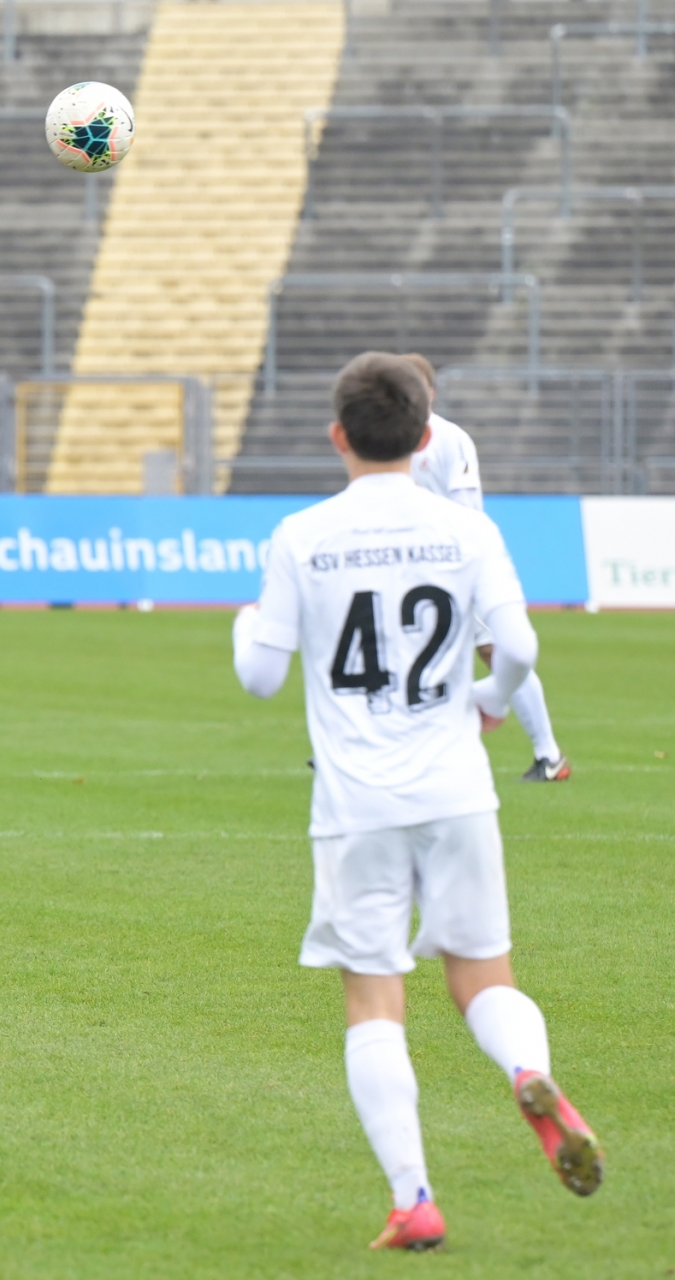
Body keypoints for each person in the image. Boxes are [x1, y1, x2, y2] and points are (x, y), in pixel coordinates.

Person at [233, 352, 602, 1251]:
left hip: (357, 800)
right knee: (483, 978)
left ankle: (414, 1200)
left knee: (374, 999)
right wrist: (484, 701)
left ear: (338, 436)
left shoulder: (302, 534)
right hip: (457, 787)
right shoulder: (466, 533)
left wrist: (248, 623)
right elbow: (515, 647)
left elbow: (258, 678)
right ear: (425, 435)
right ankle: (527, 1070)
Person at [402, 352, 569, 782]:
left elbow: (467, 508)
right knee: (396, 649)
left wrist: (461, 560)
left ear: (431, 393)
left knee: (497, 653)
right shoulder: (389, 440)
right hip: (415, 570)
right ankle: (366, 746)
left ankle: (549, 755)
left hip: (457, 566)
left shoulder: (449, 439)